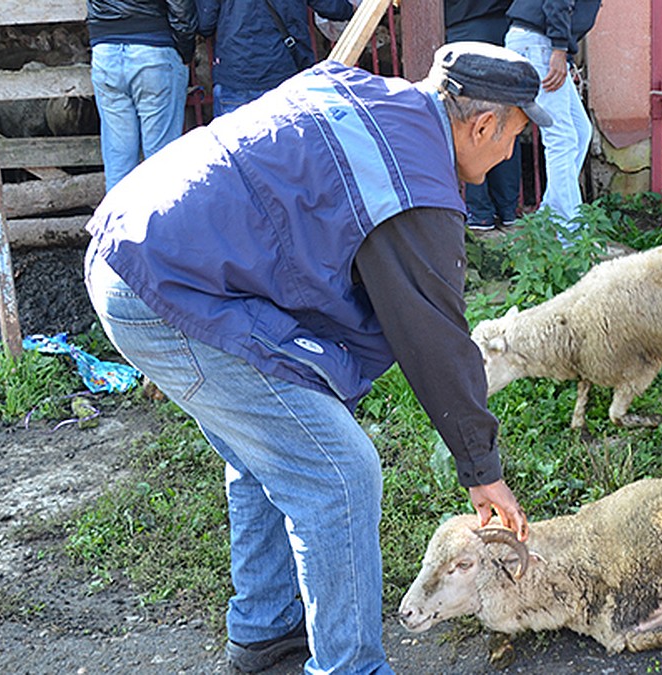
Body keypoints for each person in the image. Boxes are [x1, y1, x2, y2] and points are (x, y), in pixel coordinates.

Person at [84, 42, 550, 673]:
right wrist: (481, 467)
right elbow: (434, 336)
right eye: (516, 138)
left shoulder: (372, 98)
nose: (508, 155)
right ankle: (349, 666)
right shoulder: (415, 183)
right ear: (484, 123)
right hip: (166, 284)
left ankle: (265, 628)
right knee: (338, 472)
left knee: (276, 444)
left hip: (143, 244)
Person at [505, 0, 602, 235]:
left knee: (580, 132)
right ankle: (568, 232)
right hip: (540, 43)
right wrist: (559, 49)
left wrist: (562, 53)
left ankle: (550, 217)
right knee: (561, 138)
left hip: (542, 42)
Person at [86, 0, 198, 192]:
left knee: (119, 159)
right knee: (161, 160)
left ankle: (119, 220)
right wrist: (186, 50)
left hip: (105, 50)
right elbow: (180, 5)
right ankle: (162, 221)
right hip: (153, 47)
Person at [195, 0, 355, 116]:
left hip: (238, 73)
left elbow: (205, 23)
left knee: (236, 155)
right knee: (290, 155)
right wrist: (353, 9)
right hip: (287, 71)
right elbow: (333, 7)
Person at [446, 0, 522, 230]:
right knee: (505, 122)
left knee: (469, 123)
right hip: (503, 27)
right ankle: (508, 209)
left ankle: (479, 212)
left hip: (462, 30)